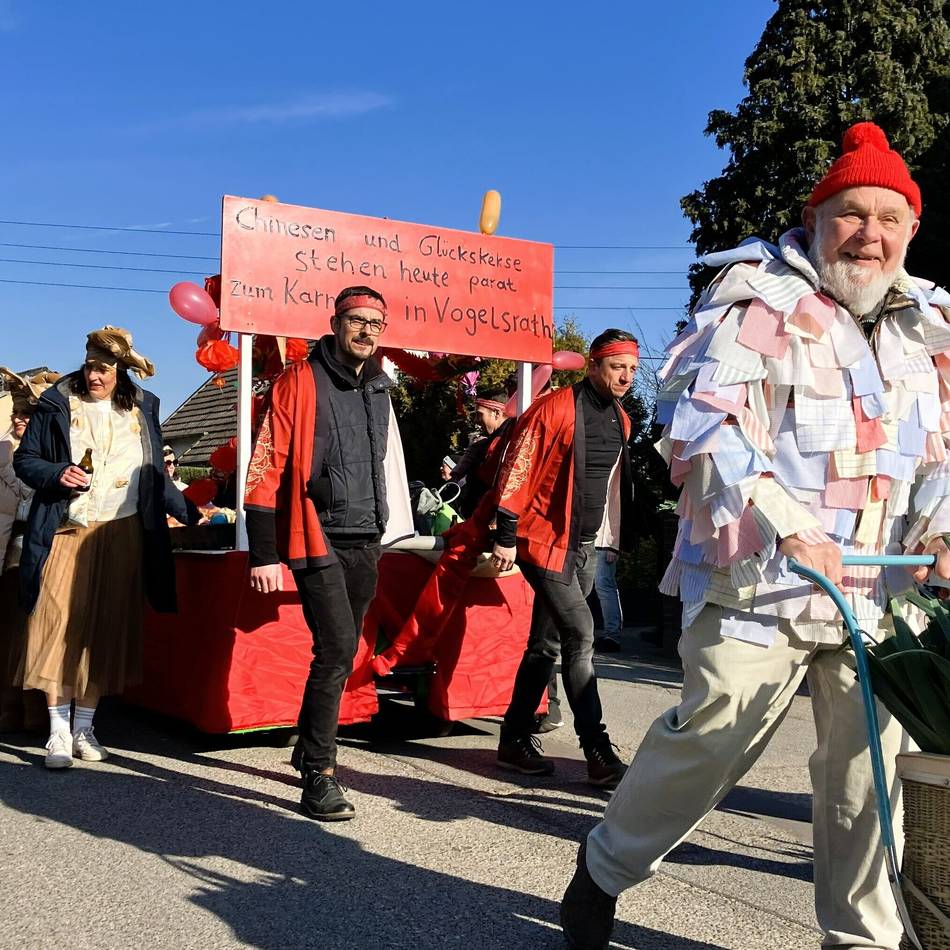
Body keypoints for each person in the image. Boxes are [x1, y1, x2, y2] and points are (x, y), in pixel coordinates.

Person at [561, 123, 950, 950]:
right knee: (712, 741)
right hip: (761, 580)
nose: (868, 234)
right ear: (816, 218)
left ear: (912, 228)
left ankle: (860, 941)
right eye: (850, 212)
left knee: (866, 775)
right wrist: (795, 526)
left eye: (888, 216)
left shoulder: (932, 326)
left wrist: (943, 531)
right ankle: (604, 869)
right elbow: (708, 429)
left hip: (881, 592)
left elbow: (942, 456)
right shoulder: (758, 296)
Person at [244, 285, 412, 822]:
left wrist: (390, 524)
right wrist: (263, 554)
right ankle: (318, 771)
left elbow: (385, 466)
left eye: (375, 323)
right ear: (336, 323)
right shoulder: (299, 381)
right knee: (337, 649)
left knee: (344, 649)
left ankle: (307, 749)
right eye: (357, 321)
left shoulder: (382, 388)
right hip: (316, 535)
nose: (366, 331)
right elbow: (265, 465)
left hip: (367, 536)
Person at [13, 327, 193, 769]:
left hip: (122, 527)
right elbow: (26, 460)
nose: (94, 376)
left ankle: (84, 729)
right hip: (66, 526)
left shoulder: (142, 408)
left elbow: (153, 471)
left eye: (104, 369)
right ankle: (57, 733)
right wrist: (57, 473)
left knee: (105, 628)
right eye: (91, 365)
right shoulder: (57, 403)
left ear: (121, 371)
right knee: (56, 622)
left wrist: (192, 510)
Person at [490, 330, 639, 787]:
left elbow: (613, 487)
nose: (626, 377)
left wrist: (614, 537)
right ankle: (596, 750)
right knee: (581, 634)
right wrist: (506, 535)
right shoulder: (554, 408)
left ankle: (513, 741)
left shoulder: (622, 420)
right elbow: (517, 467)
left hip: (587, 545)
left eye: (633, 369)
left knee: (546, 645)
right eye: (618, 367)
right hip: (544, 540)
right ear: (594, 365)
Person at [453, 390, 515, 519]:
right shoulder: (491, 441)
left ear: (497, 413)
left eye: (479, 414)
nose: (476, 420)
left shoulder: (501, 443)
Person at [592, 548, 622, 653]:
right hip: (593, 542)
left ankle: (612, 635)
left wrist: (613, 547)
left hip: (603, 544)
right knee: (604, 586)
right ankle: (612, 634)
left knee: (604, 586)